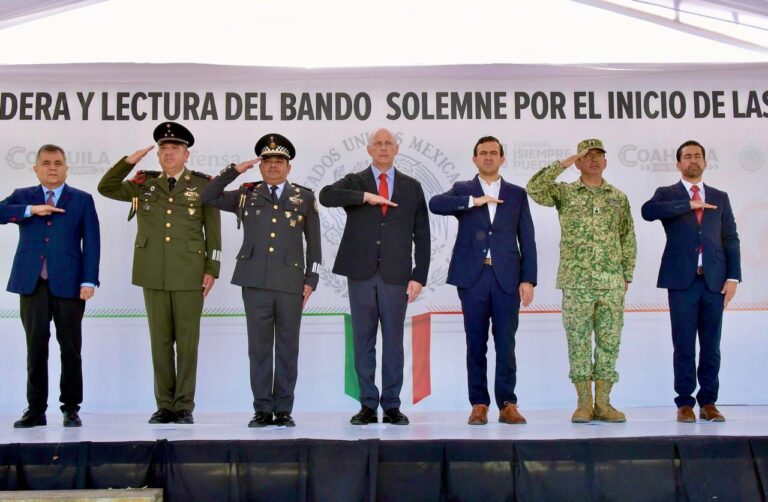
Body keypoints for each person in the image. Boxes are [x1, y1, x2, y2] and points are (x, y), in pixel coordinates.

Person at [98, 122, 221, 425]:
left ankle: (184, 406)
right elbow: (106, 188)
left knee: (188, 343)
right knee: (160, 342)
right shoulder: (143, 184)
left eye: (174, 148)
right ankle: (164, 405)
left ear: (186, 154)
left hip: (190, 273)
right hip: (152, 272)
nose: (168, 153)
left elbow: (213, 233)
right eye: (164, 148)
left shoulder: (204, 186)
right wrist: (130, 161)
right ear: (158, 155)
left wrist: (212, 268)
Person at [201, 134, 321, 427]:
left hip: (291, 282)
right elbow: (208, 196)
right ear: (260, 166)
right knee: (258, 348)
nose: (273, 166)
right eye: (267, 161)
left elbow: (314, 242)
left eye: (279, 161)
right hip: (254, 281)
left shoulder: (303, 196)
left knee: (287, 348)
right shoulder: (246, 193)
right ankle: (262, 410)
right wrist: (234, 171)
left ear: (288, 167)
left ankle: (284, 410)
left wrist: (312, 278)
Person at [319, 128, 430, 426]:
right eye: (377, 144)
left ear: (396, 150)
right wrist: (364, 197)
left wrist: (419, 274)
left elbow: (423, 234)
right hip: (361, 273)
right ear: (369, 150)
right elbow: (325, 196)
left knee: (394, 342)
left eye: (388, 144)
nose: (383, 148)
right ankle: (367, 404)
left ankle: (392, 405)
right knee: (363, 340)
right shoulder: (355, 181)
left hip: (396, 275)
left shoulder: (412, 186)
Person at [429, 136, 537, 425]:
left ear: (503, 158)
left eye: (494, 153)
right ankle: (479, 404)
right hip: (473, 278)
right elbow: (435, 204)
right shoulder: (464, 189)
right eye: (482, 153)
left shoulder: (516, 193)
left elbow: (527, 237)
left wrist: (529, 279)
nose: (488, 157)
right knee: (475, 342)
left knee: (506, 343)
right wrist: (472, 202)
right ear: (474, 159)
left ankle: (507, 404)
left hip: (507, 278)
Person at [527, 138, 636, 423]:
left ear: (606, 161)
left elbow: (627, 236)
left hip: (611, 282)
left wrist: (626, 274)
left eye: (599, 155)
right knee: (578, 343)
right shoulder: (565, 193)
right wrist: (562, 163)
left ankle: (603, 403)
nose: (594, 160)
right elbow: (534, 189)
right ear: (578, 162)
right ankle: (584, 404)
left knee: (609, 343)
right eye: (587, 156)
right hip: (576, 283)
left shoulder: (618, 197)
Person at [0, 144, 100, 428]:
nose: (52, 167)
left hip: (69, 284)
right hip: (31, 283)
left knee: (70, 347)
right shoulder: (23, 197)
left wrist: (89, 280)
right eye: (46, 162)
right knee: (35, 347)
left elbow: (91, 242)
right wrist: (31, 210)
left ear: (66, 168)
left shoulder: (81, 200)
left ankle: (70, 407)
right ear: (36, 168)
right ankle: (35, 410)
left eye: (57, 162)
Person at [641, 140, 740, 423]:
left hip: (714, 281)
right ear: (678, 164)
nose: (693, 160)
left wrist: (733, 277)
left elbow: (730, 238)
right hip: (681, 281)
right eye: (687, 156)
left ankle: (708, 402)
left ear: (705, 163)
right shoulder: (667, 194)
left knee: (711, 344)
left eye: (697, 156)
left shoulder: (720, 197)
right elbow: (648, 212)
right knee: (683, 343)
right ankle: (684, 402)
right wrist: (688, 204)